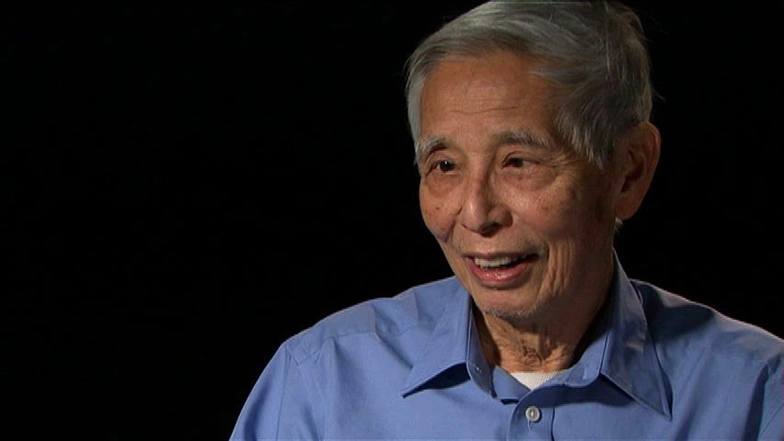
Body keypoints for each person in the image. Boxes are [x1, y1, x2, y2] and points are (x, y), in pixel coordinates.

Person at [229, 1, 784, 439]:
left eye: (519, 163)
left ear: (629, 172)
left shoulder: (758, 393)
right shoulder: (320, 380)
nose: (475, 214)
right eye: (444, 166)